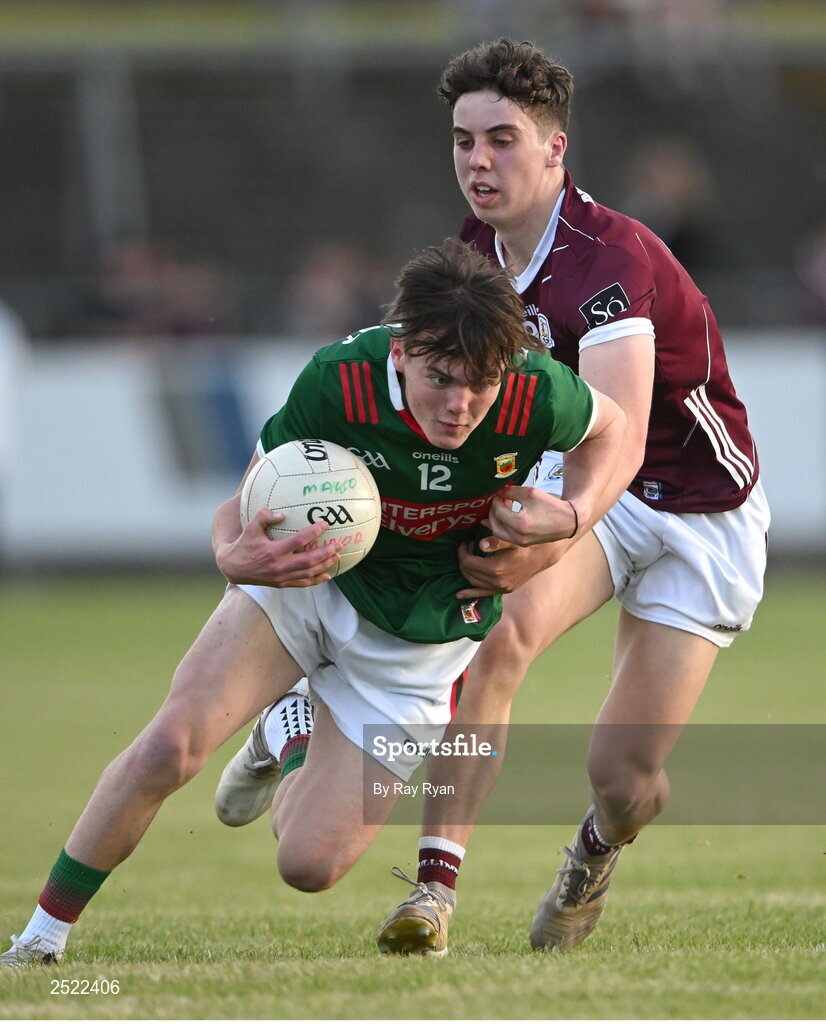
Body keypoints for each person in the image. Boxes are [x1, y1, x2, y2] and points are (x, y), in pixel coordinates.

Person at [1, 239, 626, 967]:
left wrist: (573, 517)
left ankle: (289, 731)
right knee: (173, 745)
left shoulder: (537, 389)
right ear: (402, 352)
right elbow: (249, 497)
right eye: (440, 379)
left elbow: (615, 432)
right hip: (309, 585)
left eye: (479, 385)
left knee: (309, 866)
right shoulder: (340, 379)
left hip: (422, 638)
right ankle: (40, 939)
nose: (459, 405)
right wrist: (229, 554)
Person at [371, 39, 770, 956]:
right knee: (495, 635)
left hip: (697, 511)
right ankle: (433, 894)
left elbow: (620, 429)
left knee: (623, 778)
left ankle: (593, 855)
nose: (478, 161)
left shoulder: (609, 260)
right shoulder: (477, 249)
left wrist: (565, 513)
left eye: (502, 139)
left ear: (556, 149)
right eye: (464, 140)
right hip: (597, 493)